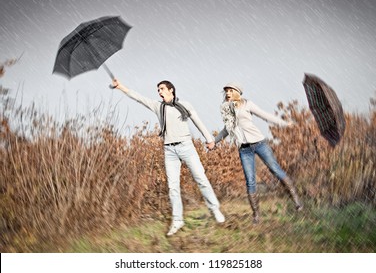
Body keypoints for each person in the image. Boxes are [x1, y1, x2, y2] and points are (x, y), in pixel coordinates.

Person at [111, 79, 225, 236]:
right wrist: (121, 87)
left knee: (201, 178)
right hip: (169, 150)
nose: (159, 91)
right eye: (158, 89)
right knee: (173, 187)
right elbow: (138, 97)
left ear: (171, 90)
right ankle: (177, 220)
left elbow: (198, 122)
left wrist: (209, 139)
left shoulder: (185, 105)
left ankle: (215, 209)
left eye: (162, 89)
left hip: (186, 147)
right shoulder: (159, 107)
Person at [211, 82, 303, 224]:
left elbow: (266, 116)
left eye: (230, 90)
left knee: (275, 170)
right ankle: (256, 216)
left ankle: (297, 201)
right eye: (226, 91)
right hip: (244, 149)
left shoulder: (248, 104)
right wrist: (214, 141)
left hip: (259, 144)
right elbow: (225, 130)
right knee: (250, 181)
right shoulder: (227, 110)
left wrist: (284, 124)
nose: (227, 93)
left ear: (237, 92)